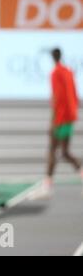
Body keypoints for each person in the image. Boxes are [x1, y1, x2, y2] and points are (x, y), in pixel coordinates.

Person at [40, 48, 83, 196]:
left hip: (61, 117)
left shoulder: (55, 73)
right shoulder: (69, 71)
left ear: (53, 57)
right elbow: (75, 95)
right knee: (64, 152)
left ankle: (47, 186)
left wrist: (53, 121)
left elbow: (56, 97)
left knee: (52, 150)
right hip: (70, 116)